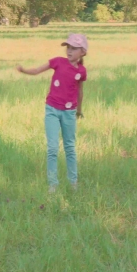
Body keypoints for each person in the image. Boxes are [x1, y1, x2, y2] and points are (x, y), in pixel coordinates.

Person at [17, 34, 88, 193]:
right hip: (52, 110)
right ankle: (52, 184)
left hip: (69, 112)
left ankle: (73, 182)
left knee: (70, 147)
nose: (69, 51)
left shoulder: (81, 72)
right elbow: (37, 70)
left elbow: (80, 91)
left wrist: (79, 111)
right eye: (68, 47)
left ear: (82, 52)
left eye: (74, 48)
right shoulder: (58, 62)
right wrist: (24, 70)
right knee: (52, 148)